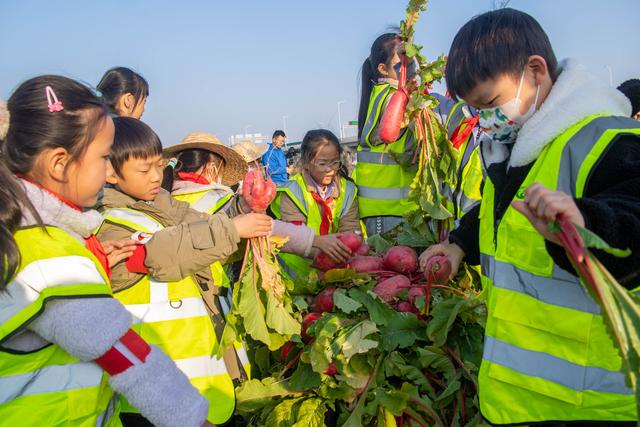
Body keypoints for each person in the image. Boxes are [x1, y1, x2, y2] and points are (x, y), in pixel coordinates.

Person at [420, 8, 640, 425]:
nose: (484, 120)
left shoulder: (611, 140)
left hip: (590, 407)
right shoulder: (516, 149)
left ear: (535, 71)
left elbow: (632, 217)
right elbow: (497, 212)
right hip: (513, 403)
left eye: (489, 103)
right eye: (474, 110)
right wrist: (458, 245)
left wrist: (586, 223)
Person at [0, 75, 215, 427]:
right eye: (102, 158)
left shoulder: (20, 235)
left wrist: (93, 260)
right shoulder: (50, 256)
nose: (107, 171)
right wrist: (194, 419)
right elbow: (127, 356)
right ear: (59, 163)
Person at [95, 117, 272, 426]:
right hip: (153, 393)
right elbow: (164, 250)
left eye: (158, 166)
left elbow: (196, 222)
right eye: (144, 169)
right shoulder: (108, 223)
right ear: (110, 172)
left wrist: (242, 209)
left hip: (198, 377)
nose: (156, 176)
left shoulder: (162, 203)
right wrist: (231, 228)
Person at [271, 129, 361, 279]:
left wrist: (342, 251)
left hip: (335, 266)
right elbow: (294, 237)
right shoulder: (292, 191)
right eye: (322, 163)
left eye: (334, 162)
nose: (330, 170)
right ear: (306, 163)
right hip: (299, 271)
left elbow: (350, 230)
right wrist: (325, 250)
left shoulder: (348, 190)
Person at [356, 33, 418, 236]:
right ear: (382, 69)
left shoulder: (383, 93)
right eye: (403, 61)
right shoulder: (392, 96)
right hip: (388, 209)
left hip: (390, 209)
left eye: (412, 59)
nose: (410, 67)